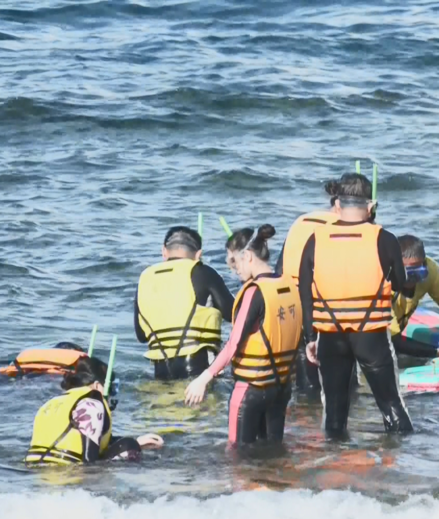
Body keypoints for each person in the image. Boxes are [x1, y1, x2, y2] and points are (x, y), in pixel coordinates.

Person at [299, 172, 413, 438]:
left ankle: (334, 468)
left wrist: (309, 338)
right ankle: (403, 465)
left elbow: (305, 292)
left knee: (335, 413)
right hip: (371, 334)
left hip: (330, 335)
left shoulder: (316, 239)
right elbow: (399, 283)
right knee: (391, 405)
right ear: (370, 207)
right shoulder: (383, 238)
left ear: (337, 205)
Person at [184, 225, 301, 446]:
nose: (233, 270)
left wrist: (204, 378)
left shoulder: (254, 292)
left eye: (233, 262)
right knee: (273, 451)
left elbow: (233, 344)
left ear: (247, 256)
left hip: (251, 389)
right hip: (281, 386)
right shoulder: (288, 285)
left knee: (237, 457)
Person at [134, 226, 234, 380]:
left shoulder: (145, 278)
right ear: (199, 255)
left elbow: (141, 335)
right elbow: (234, 314)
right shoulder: (203, 272)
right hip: (198, 366)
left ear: (164, 251)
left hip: (160, 370)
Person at [25, 365, 164, 465]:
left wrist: (140, 441)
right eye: (110, 388)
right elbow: (89, 463)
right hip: (66, 475)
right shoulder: (92, 404)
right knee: (129, 445)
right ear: (98, 386)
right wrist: (135, 444)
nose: (110, 395)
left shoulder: (52, 403)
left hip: (36, 473)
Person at [275, 184, 341, 393]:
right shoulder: (342, 227)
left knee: (302, 377)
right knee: (332, 384)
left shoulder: (302, 221)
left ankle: (302, 414)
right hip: (317, 308)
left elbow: (279, 268)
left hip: (286, 304)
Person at [389, 235, 439, 360]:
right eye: (409, 274)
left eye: (418, 273)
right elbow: (392, 340)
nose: (413, 280)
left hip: (396, 330)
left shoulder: (431, 270)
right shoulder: (381, 281)